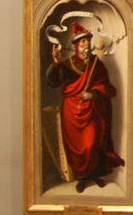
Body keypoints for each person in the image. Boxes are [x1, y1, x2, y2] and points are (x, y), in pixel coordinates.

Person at [45, 23, 123, 192]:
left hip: (91, 111)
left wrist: (93, 94)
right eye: (82, 42)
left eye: (88, 41)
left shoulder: (97, 65)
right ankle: (83, 177)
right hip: (71, 112)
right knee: (75, 147)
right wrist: (56, 63)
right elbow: (53, 82)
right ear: (76, 45)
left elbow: (108, 88)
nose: (86, 45)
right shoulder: (67, 65)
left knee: (92, 143)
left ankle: (95, 174)